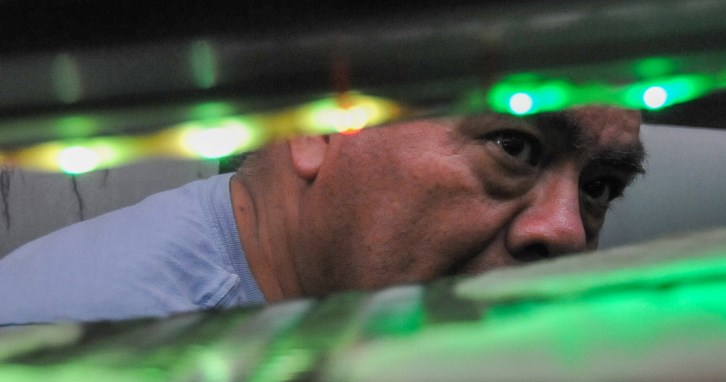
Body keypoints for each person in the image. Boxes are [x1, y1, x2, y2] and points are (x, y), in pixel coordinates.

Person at [0, 106, 644, 324]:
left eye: (602, 185)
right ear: (317, 127)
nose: (565, 231)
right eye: (514, 147)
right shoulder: (64, 363)